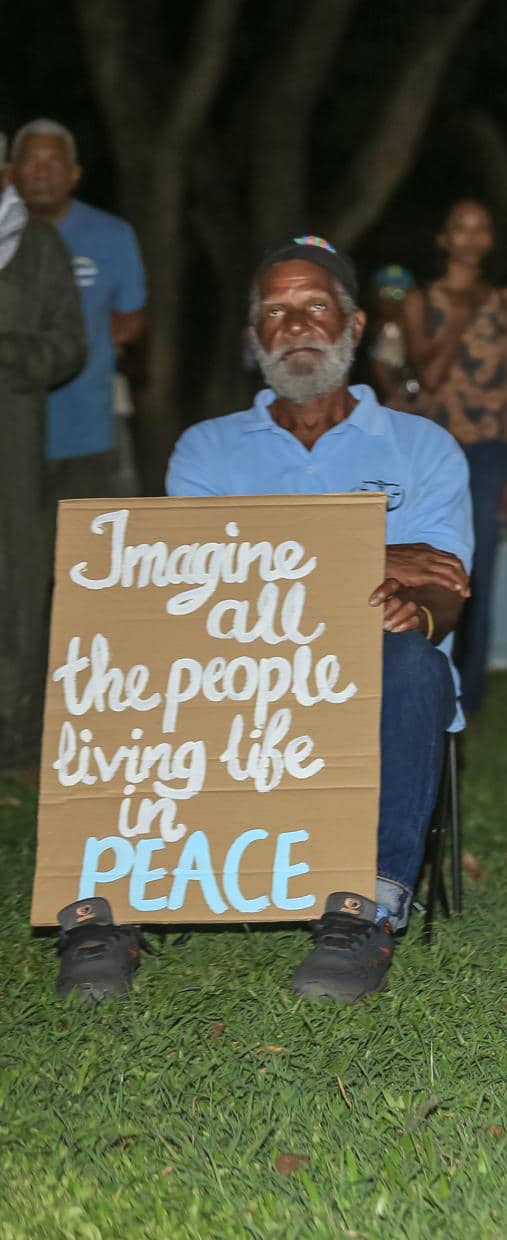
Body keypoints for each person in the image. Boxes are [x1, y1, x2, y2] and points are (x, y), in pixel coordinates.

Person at [54, 236, 473, 1005]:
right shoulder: (206, 450)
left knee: (417, 664)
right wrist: (377, 553)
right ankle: (108, 911)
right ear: (255, 341)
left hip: (367, 672)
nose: (295, 325)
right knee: (113, 655)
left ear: (352, 326)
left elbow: (443, 592)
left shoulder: (425, 448)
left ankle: (364, 911)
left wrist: (409, 592)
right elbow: (207, 592)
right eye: (274, 312)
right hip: (233, 679)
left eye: (315, 305)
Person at [402, 200, 507, 714]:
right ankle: (428, 682)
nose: (471, 239)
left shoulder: (504, 302)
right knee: (435, 571)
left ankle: (468, 700)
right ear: (444, 239)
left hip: (491, 451)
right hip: (433, 453)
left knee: (480, 576)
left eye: (481, 229)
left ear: (489, 240)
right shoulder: (418, 301)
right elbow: (427, 377)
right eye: (460, 228)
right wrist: (459, 316)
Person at [0, 137, 86, 771]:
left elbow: (69, 344)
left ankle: (16, 734)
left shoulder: (37, 245)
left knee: (17, 581)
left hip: (14, 433)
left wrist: (11, 351)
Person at [10, 119, 146, 501]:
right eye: (31, 161)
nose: (41, 171)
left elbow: (131, 320)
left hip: (88, 427)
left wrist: (83, 347)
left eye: (52, 162)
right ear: (10, 171)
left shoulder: (112, 235)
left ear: (73, 174)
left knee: (93, 545)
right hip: (11, 427)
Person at [363, 264, 419, 410]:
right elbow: (379, 365)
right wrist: (394, 396)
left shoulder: (426, 326)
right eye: (386, 292)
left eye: (400, 293)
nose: (393, 299)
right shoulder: (368, 332)